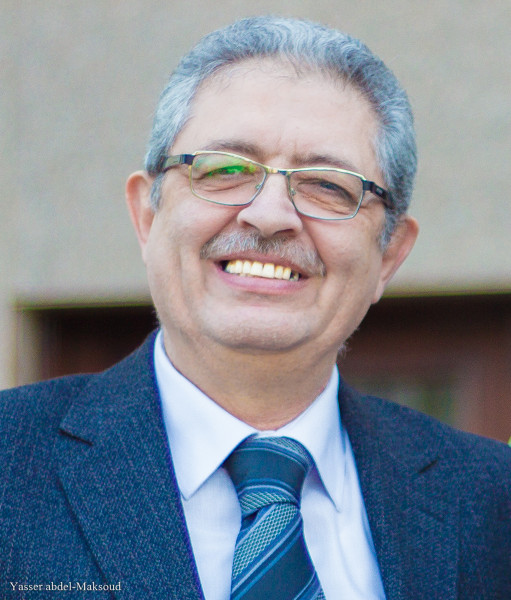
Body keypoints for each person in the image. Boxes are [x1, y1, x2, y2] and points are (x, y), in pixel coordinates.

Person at [1, 15, 510, 600]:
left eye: (328, 185)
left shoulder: (492, 503)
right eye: (225, 170)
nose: (269, 216)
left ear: (389, 255)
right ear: (147, 215)